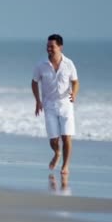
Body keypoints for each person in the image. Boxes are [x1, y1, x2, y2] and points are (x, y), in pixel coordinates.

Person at [32, 34, 79, 176]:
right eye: (47, 46)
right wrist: (38, 101)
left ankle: (65, 166)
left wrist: (74, 94)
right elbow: (34, 82)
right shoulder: (41, 65)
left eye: (52, 46)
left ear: (60, 47)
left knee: (67, 137)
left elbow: (75, 82)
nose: (49, 49)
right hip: (49, 105)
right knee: (53, 140)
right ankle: (57, 152)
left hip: (66, 104)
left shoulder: (69, 64)